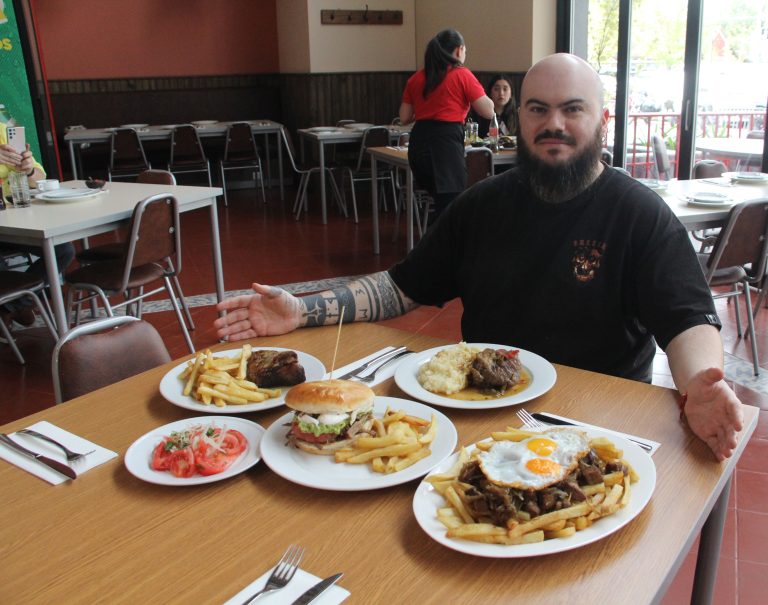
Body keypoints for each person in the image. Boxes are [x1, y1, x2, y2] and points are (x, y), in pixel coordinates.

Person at [214, 53, 744, 462]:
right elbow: (401, 286)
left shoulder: (638, 214)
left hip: (595, 424)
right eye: (538, 109)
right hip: (480, 418)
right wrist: (302, 308)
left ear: (602, 119)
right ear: (520, 115)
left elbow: (687, 320)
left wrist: (700, 385)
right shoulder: (482, 204)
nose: (552, 123)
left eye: (572, 109)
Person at [398, 29, 494, 220]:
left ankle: (434, 246)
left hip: (418, 144)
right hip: (445, 144)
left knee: (441, 204)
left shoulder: (416, 78)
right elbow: (488, 111)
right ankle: (441, 249)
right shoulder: (461, 75)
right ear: (459, 50)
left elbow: (404, 117)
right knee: (450, 207)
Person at [0, 121, 75, 327]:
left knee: (62, 250)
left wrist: (30, 170)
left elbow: (40, 178)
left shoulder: (4, 131)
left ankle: (12, 305)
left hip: (15, 222)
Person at [472, 73, 517, 138]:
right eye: (496, 89)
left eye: (505, 89)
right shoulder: (480, 115)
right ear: (490, 93)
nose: (501, 93)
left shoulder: (518, 116)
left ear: (511, 94)